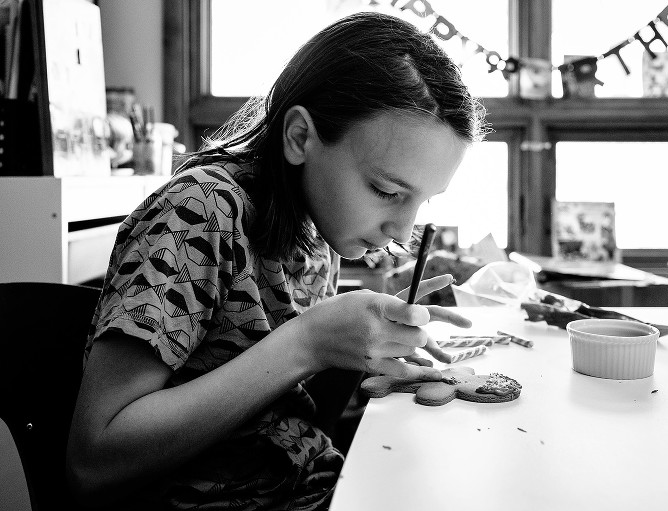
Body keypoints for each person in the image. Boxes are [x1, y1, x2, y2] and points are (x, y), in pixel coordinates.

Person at [66, 11, 488, 510]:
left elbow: (290, 420)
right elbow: (92, 462)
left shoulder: (315, 229)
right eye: (386, 190)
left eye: (424, 201)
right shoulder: (199, 213)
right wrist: (308, 343)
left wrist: (360, 354)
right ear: (299, 138)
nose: (402, 230)